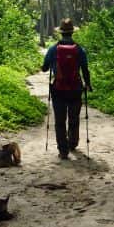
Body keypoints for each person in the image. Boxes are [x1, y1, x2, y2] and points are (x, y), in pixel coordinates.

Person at [42, 18, 91, 159]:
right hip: (75, 89)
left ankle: (63, 151)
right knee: (74, 118)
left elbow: (45, 68)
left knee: (60, 121)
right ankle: (73, 143)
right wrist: (88, 84)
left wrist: (48, 65)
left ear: (61, 33)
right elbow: (85, 70)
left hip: (58, 89)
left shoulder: (53, 49)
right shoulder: (80, 49)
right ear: (72, 33)